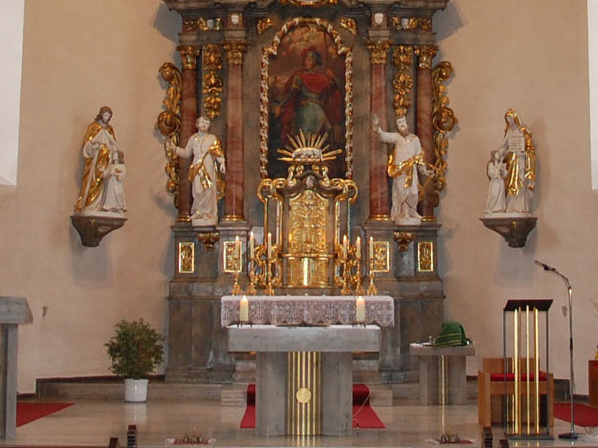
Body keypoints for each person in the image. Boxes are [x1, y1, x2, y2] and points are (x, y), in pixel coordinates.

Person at [276, 47, 343, 146]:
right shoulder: (300, 77)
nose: (305, 62)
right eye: (305, 60)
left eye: (308, 60)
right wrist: (281, 105)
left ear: (314, 62)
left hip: (313, 111)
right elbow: (292, 93)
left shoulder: (321, 78)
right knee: (311, 135)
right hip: (309, 110)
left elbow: (338, 88)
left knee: (325, 131)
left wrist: (333, 77)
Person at [169, 117, 225, 226]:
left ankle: (208, 213)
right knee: (197, 189)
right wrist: (175, 149)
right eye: (202, 122)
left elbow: (217, 152)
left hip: (208, 164)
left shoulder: (212, 138)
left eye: (207, 123)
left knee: (208, 189)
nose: (204, 125)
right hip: (196, 166)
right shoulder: (193, 139)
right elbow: (186, 153)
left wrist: (222, 162)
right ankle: (199, 212)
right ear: (197, 124)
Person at [372, 114, 424, 224]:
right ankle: (404, 212)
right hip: (400, 170)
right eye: (399, 123)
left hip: (412, 169)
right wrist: (377, 127)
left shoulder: (415, 139)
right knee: (402, 191)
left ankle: (412, 211)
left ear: (407, 124)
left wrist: (423, 170)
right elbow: (384, 136)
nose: (402, 125)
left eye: (403, 122)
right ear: (397, 126)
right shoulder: (396, 137)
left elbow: (419, 156)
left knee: (413, 191)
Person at [74, 106, 119, 214]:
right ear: (101, 115)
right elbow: (87, 144)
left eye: (109, 116)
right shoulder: (93, 127)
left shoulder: (109, 129)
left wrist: (111, 149)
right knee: (93, 182)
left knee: (104, 183)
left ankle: (101, 205)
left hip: (105, 162)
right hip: (94, 163)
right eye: (105, 115)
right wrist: (95, 147)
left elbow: (114, 144)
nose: (107, 118)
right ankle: (89, 205)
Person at [496, 109, 535, 214]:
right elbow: (504, 146)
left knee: (520, 181)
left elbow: (530, 149)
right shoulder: (509, 132)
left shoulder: (523, 132)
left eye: (510, 118)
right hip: (511, 162)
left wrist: (524, 154)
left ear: (515, 118)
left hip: (521, 160)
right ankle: (511, 206)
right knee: (510, 183)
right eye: (507, 118)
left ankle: (520, 206)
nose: (509, 120)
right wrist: (500, 152)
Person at [102, 150, 127, 215]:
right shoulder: (111, 166)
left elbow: (123, 175)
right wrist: (102, 170)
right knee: (111, 194)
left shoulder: (121, 166)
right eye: (113, 155)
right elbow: (105, 174)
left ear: (118, 156)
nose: (114, 156)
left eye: (115, 155)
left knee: (118, 194)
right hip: (111, 183)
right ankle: (110, 207)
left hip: (118, 183)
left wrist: (116, 174)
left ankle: (119, 207)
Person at [484, 150, 507, 214]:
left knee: (500, 195)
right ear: (493, 156)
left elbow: (505, 173)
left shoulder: (501, 164)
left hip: (500, 181)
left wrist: (503, 172)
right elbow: (490, 172)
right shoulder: (491, 164)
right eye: (497, 154)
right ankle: (491, 208)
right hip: (495, 182)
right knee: (494, 194)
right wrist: (497, 170)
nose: (498, 155)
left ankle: (499, 208)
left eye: (498, 154)